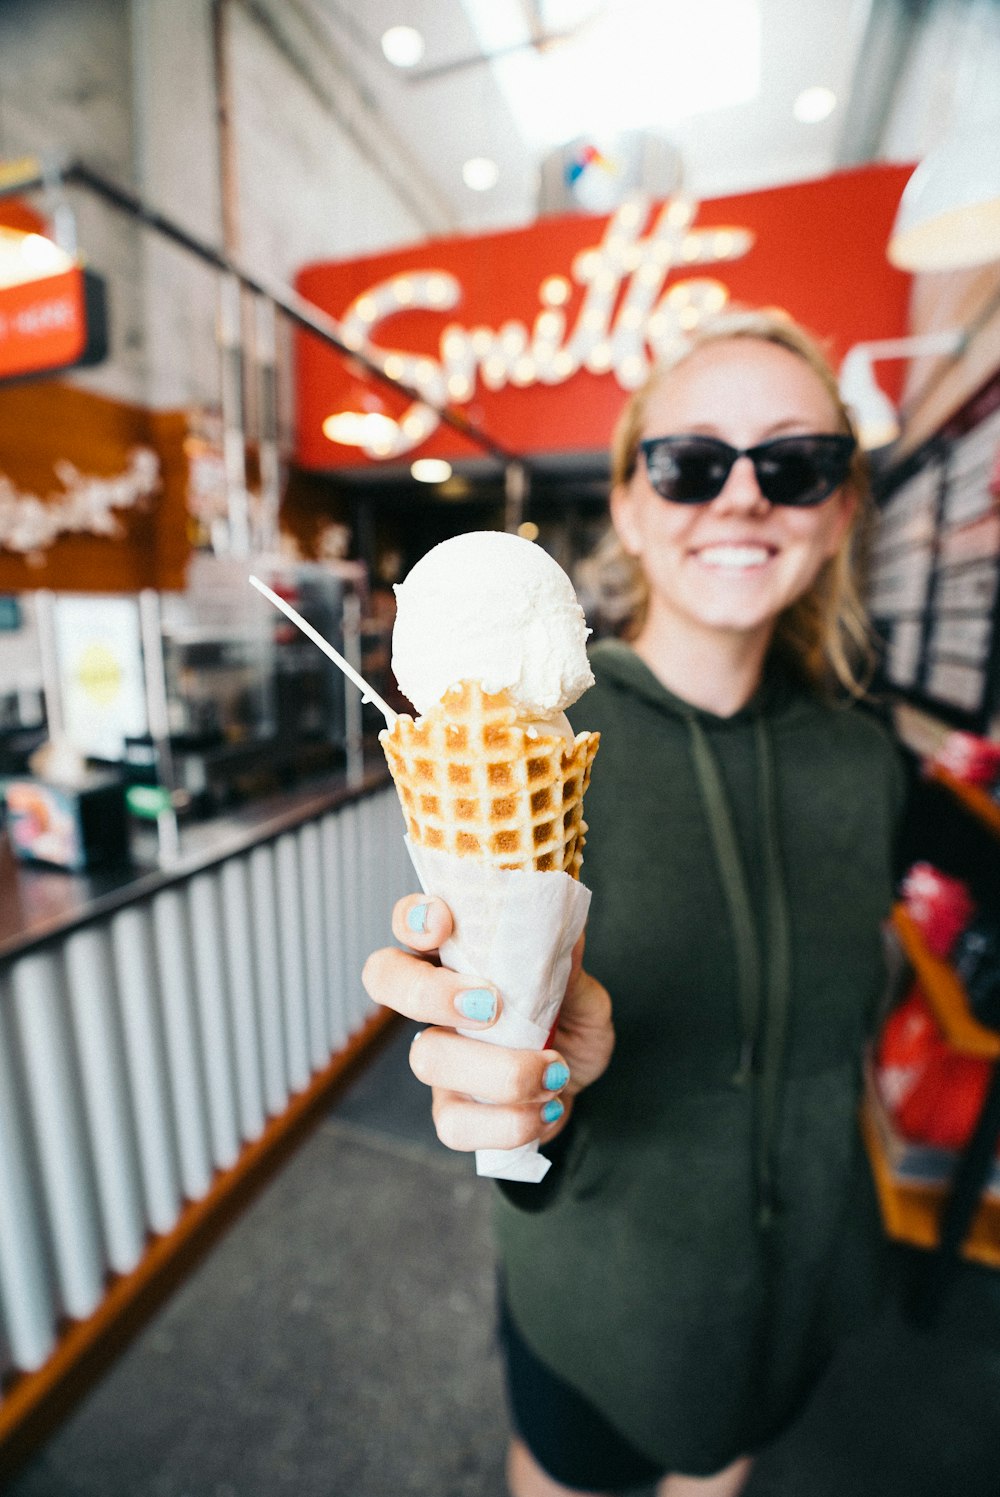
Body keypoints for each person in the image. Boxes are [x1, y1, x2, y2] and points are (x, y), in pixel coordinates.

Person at [362, 308, 905, 1497]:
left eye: (796, 463)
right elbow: (509, 1071)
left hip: (797, 1289)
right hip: (597, 1297)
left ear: (842, 505)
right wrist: (515, 1093)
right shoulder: (535, 740)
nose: (743, 498)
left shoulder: (864, 759)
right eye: (692, 462)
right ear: (628, 499)